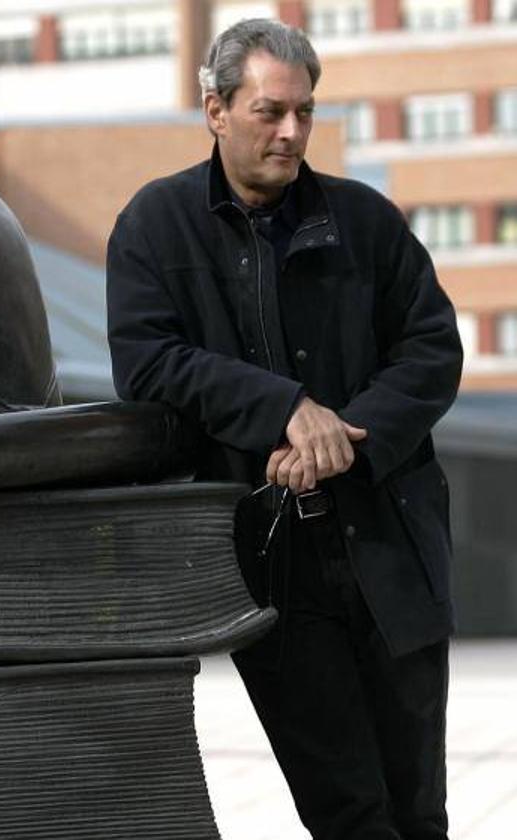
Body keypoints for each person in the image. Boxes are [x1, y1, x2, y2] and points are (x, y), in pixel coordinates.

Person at [106, 18, 462, 840]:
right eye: (269, 111)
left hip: (392, 550)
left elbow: (431, 348)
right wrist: (283, 410)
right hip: (271, 569)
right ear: (214, 110)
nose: (291, 131)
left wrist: (347, 435)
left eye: (303, 111)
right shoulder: (154, 227)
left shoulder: (365, 221)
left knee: (420, 810)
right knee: (346, 811)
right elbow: (148, 361)